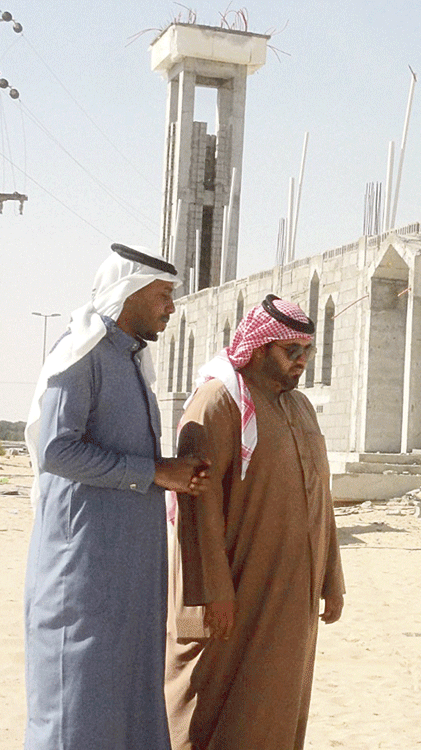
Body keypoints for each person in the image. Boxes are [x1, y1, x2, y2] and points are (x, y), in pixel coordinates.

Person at [23, 243, 210, 750]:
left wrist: (167, 474)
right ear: (129, 293)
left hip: (129, 569)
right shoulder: (82, 354)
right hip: (81, 568)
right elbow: (58, 450)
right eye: (163, 295)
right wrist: (153, 471)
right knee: (76, 701)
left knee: (127, 695)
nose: (171, 307)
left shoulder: (129, 359)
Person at [166, 294, 345, 750]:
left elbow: (320, 498)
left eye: (308, 352)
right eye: (292, 351)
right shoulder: (218, 402)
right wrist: (213, 592)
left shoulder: (300, 407)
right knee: (207, 709)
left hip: (291, 600)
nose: (302, 362)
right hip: (233, 597)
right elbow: (196, 506)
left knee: (276, 708)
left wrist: (331, 579)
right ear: (261, 348)